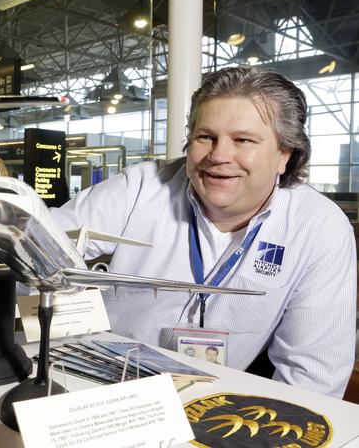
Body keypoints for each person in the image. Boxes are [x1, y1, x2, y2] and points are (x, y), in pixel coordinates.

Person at [51, 66, 356, 398]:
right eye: (205, 137)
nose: (219, 155)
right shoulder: (139, 188)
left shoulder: (319, 227)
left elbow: (312, 380)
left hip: (216, 409)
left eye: (243, 140)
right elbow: (39, 246)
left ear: (285, 154)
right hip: (96, 386)